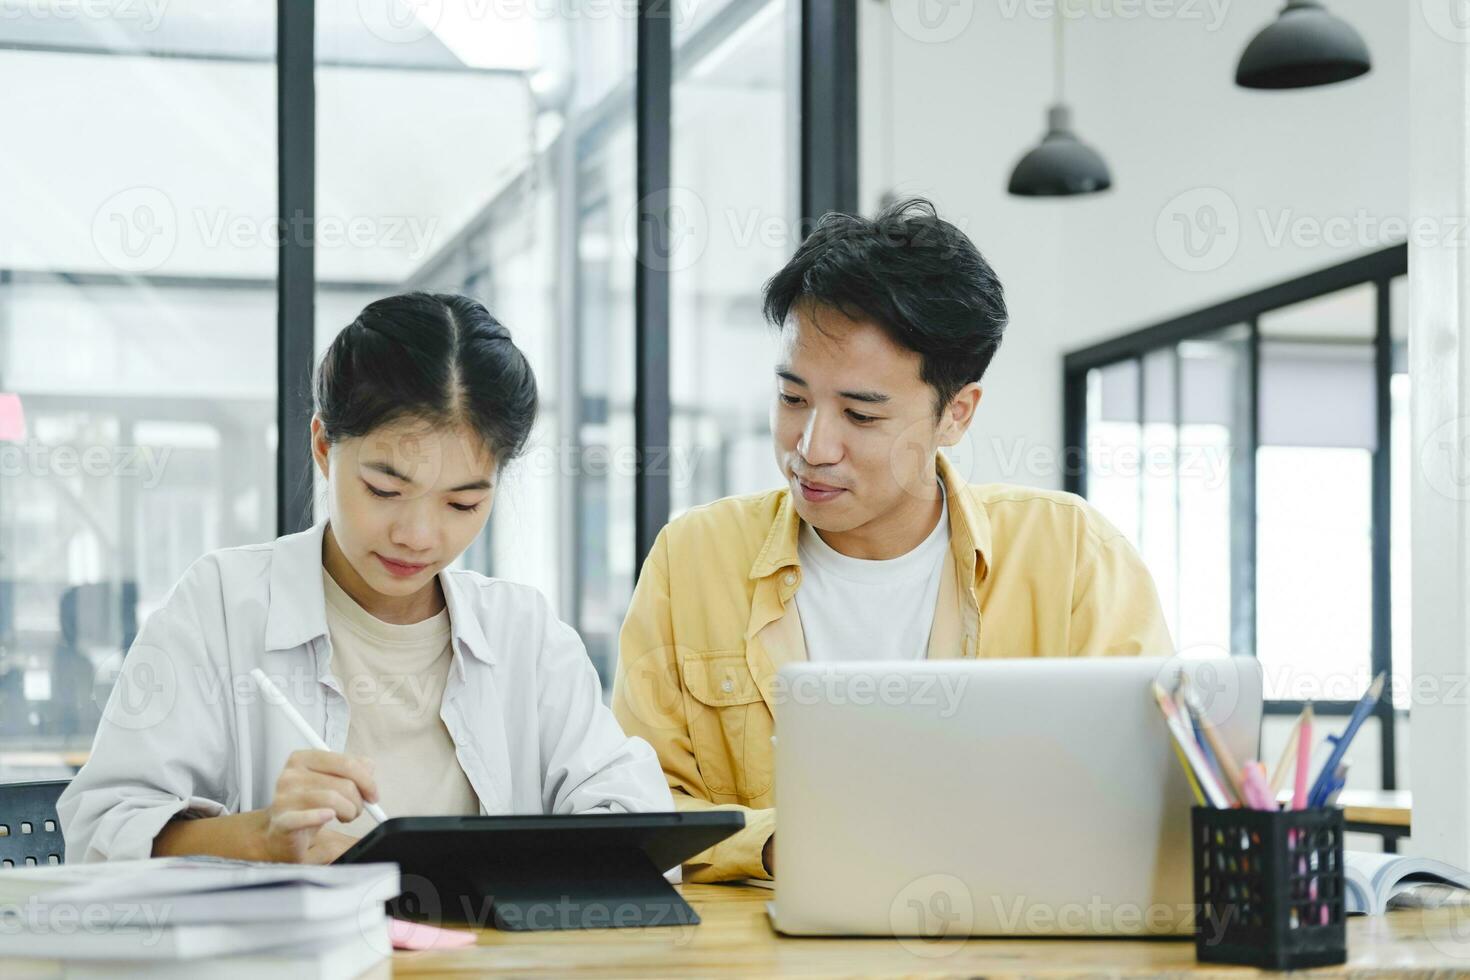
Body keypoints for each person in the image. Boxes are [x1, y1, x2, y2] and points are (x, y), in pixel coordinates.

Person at [612, 198, 1172, 883]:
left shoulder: (1072, 555)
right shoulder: (694, 557)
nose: (812, 448)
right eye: (792, 400)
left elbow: (1147, 793)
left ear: (956, 414)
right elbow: (636, 805)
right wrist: (780, 844)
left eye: (860, 413)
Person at [59, 293, 671, 864]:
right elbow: (102, 830)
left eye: (462, 504)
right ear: (324, 446)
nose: (418, 535)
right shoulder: (222, 604)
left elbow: (630, 814)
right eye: (384, 489)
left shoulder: (522, 631)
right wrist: (265, 838)